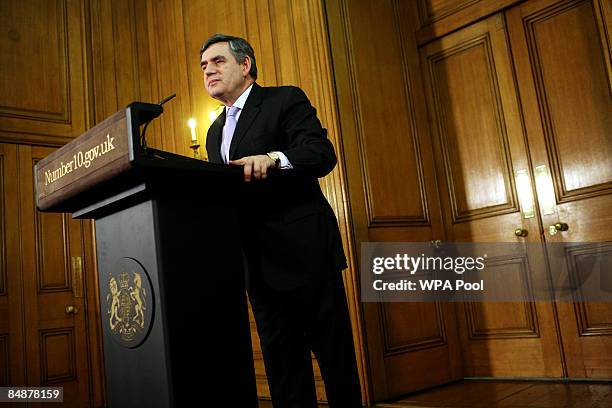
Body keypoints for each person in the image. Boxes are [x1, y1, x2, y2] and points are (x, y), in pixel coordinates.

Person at [200, 33, 362, 408]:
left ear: (245, 65)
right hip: (258, 267)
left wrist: (274, 158)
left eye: (218, 61)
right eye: (204, 66)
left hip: (305, 255)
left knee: (335, 361)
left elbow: (320, 153)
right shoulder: (213, 133)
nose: (208, 70)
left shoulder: (284, 99)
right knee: (283, 370)